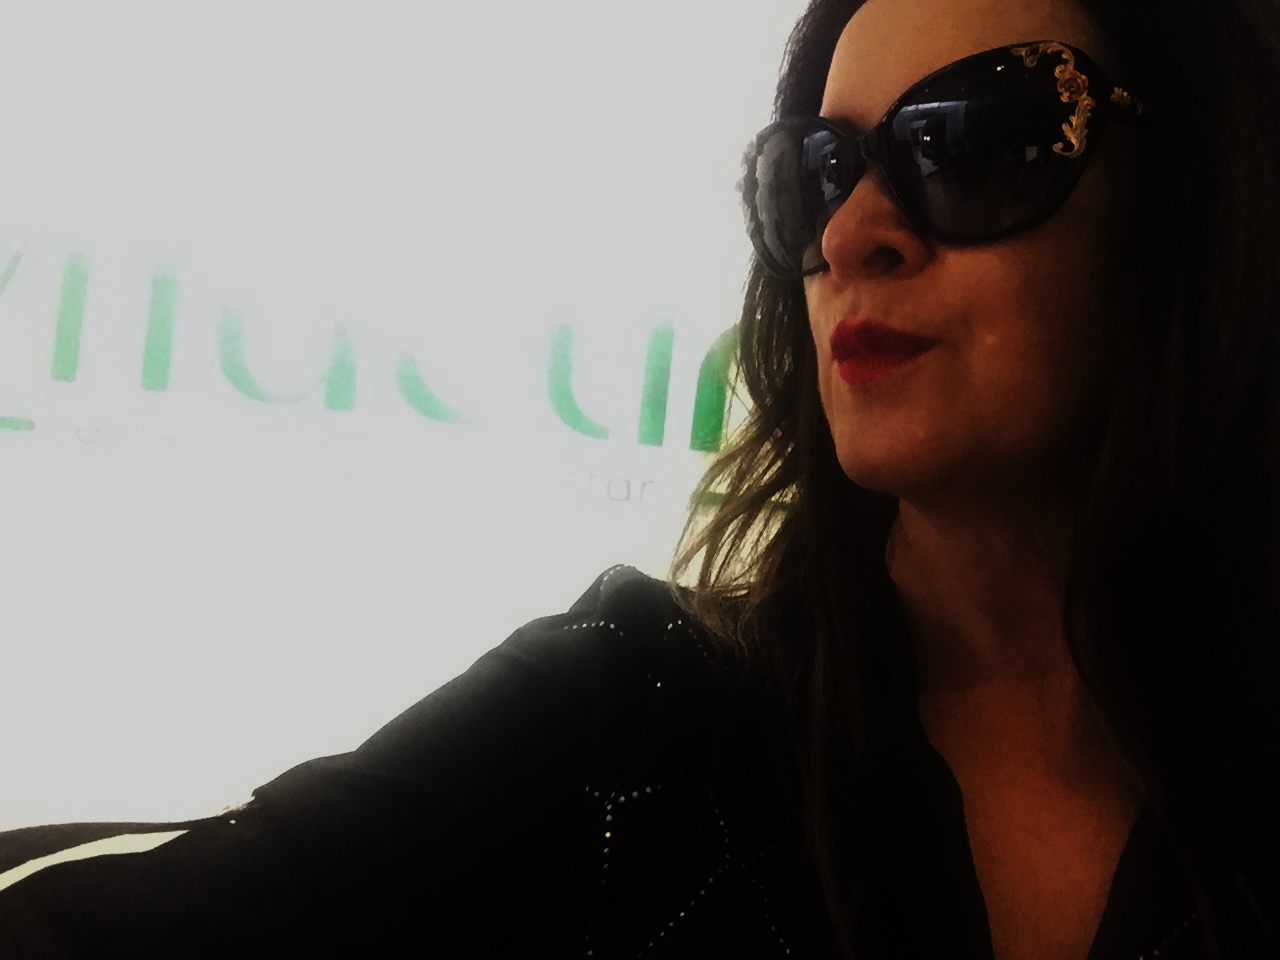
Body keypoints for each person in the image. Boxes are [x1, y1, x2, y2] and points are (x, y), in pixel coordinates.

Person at [2, 0, 1279, 955]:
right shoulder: (632, 713)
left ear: (1191, 207)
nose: (849, 234)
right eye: (814, 174)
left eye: (973, 140)